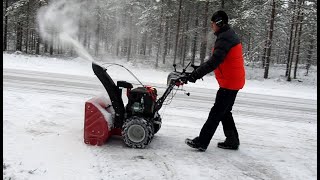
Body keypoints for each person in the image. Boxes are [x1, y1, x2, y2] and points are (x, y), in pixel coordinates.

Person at [185, 10, 245, 152]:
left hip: (230, 82)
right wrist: (198, 69)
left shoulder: (225, 38)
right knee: (224, 111)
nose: (212, 26)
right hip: (233, 80)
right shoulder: (227, 35)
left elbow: (214, 61)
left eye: (213, 23)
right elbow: (217, 60)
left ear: (219, 23)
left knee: (216, 112)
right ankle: (232, 140)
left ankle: (202, 141)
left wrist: (196, 74)